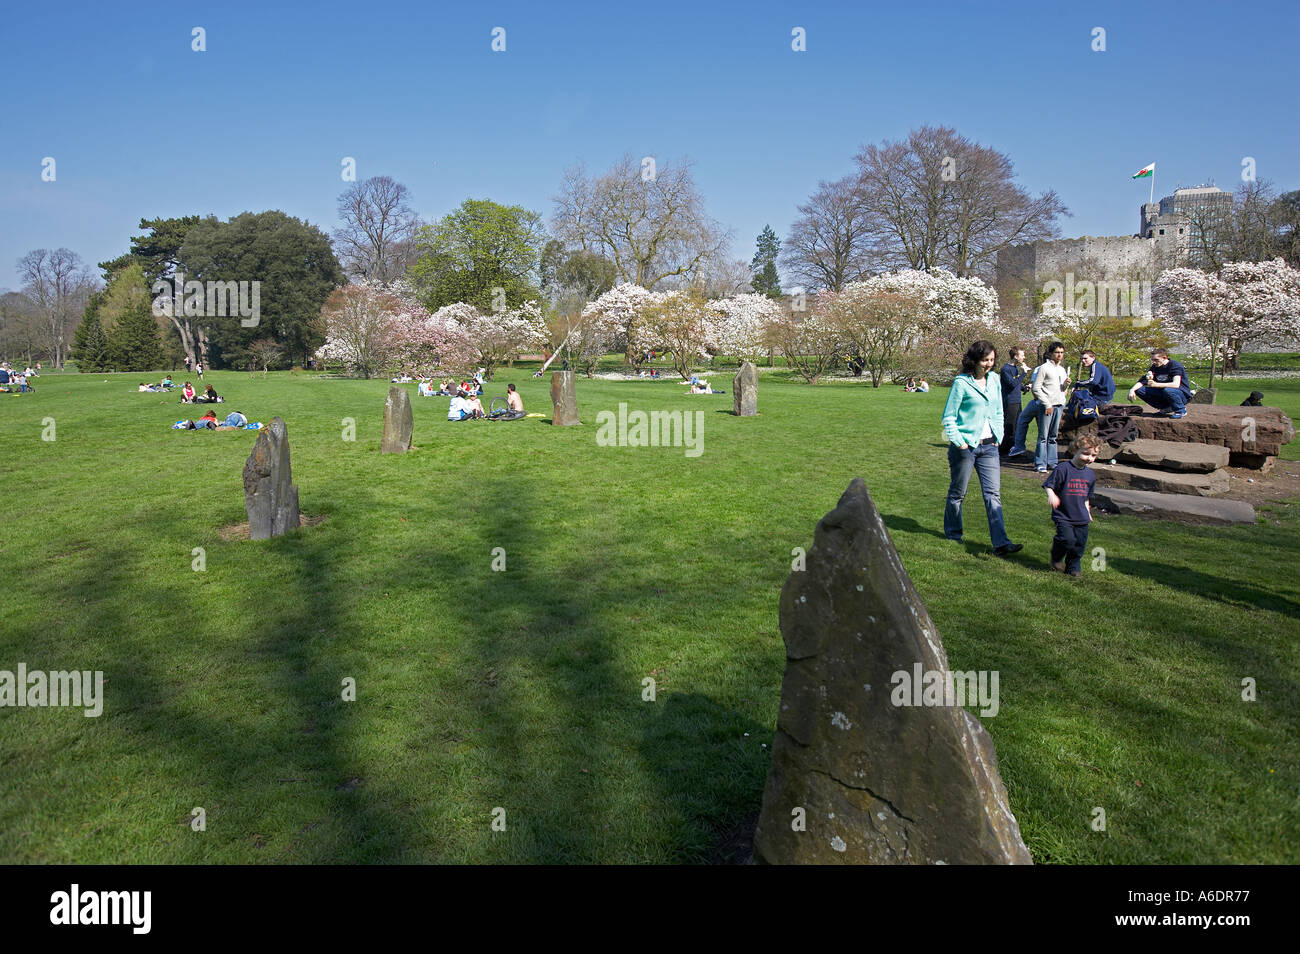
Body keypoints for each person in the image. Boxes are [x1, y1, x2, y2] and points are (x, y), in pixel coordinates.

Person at [941, 340, 1022, 557]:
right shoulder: (961, 383)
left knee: (993, 494)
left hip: (989, 447)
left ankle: (1001, 543)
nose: (989, 364)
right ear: (974, 360)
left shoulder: (994, 379)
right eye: (985, 360)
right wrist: (960, 441)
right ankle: (953, 533)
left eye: (992, 360)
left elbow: (998, 409)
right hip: (965, 447)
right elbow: (948, 417)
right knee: (958, 492)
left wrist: (999, 435)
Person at [1043, 434, 1100, 578]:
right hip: (1063, 514)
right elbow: (1049, 485)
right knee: (1066, 539)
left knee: (1079, 544)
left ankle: (1073, 567)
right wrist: (1052, 495)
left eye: (1093, 455)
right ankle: (1056, 557)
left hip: (1081, 516)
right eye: (1086, 454)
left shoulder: (1090, 474)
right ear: (1075, 450)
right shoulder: (1063, 468)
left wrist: (1088, 511)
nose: (1089, 458)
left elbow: (1086, 496)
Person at [1009, 342, 1070, 473]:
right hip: (1047, 405)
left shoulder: (1062, 370)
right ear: (1051, 354)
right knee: (1043, 436)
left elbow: (1061, 389)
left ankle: (1052, 462)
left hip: (1059, 404)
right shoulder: (1044, 368)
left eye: (1061, 352)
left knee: (1053, 436)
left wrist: (1066, 385)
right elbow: (1036, 388)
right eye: (1057, 352)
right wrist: (1047, 404)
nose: (1059, 355)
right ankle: (1040, 463)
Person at [1127, 349, 1190, 419]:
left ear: (1164, 358)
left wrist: (1156, 384)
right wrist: (1132, 390)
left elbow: (1176, 384)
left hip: (1180, 394)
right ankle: (1166, 408)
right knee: (1139, 390)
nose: (1154, 362)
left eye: (1156, 360)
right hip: (1164, 392)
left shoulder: (1175, 365)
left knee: (1168, 390)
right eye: (1152, 360)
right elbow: (1143, 381)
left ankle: (1180, 410)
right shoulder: (1155, 367)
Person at [999, 347, 1031, 456]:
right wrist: (1024, 373)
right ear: (1015, 356)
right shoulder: (1005, 369)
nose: (1024, 357)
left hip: (1017, 400)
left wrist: (1024, 388)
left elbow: (1016, 383)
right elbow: (1011, 384)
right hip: (1010, 401)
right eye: (1022, 355)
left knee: (1017, 426)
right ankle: (1003, 450)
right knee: (1009, 426)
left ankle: (1014, 449)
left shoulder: (1016, 368)